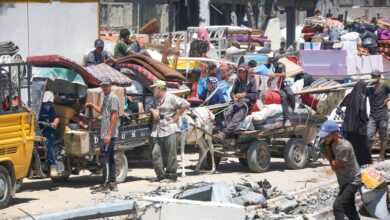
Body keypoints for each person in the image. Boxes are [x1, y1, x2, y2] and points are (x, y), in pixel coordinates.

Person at [317, 120, 361, 220]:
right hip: (344, 181)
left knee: (338, 206)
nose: (324, 139)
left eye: (327, 136)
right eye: (323, 136)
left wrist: (328, 149)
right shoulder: (331, 144)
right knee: (349, 208)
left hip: (353, 181)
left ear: (335, 135)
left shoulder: (344, 147)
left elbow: (334, 166)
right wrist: (327, 147)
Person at [148, 80, 190, 182]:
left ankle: (171, 175)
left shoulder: (171, 98)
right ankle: (160, 176)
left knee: (171, 153)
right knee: (155, 153)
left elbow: (185, 104)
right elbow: (148, 106)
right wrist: (153, 110)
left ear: (159, 89)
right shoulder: (155, 100)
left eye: (155, 88)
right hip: (158, 130)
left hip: (170, 128)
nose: (153, 90)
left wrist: (177, 115)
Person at [86, 77, 120, 193]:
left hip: (108, 133)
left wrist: (109, 134)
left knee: (104, 158)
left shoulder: (113, 97)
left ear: (110, 85)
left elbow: (114, 115)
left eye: (106, 85)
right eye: (103, 85)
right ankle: (112, 183)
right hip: (105, 132)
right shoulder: (106, 97)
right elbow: (101, 110)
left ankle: (105, 184)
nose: (104, 87)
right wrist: (91, 104)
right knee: (110, 158)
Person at [217, 63, 257, 139]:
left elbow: (255, 95)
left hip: (247, 104)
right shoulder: (237, 80)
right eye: (240, 72)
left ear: (247, 72)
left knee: (236, 117)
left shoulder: (252, 81)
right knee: (227, 114)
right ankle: (230, 134)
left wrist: (244, 95)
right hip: (237, 102)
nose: (242, 73)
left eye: (243, 72)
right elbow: (232, 92)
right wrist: (233, 97)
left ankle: (224, 133)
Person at [366, 70, 390, 162]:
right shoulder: (368, 88)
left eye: (375, 76)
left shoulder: (384, 86)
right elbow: (360, 95)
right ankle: (368, 157)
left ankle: (381, 156)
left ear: (379, 77)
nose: (374, 78)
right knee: (368, 136)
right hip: (373, 115)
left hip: (383, 114)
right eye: (372, 76)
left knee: (383, 136)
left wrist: (388, 99)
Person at [39, 98, 60, 177]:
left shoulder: (47, 106)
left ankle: (53, 166)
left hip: (49, 131)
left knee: (48, 141)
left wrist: (54, 123)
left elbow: (56, 118)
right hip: (38, 132)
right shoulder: (32, 107)